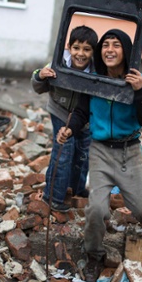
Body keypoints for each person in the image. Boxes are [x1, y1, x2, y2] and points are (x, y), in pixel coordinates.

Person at [57, 29, 142, 282]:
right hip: (101, 151)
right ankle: (94, 256)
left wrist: (139, 92)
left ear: (126, 51)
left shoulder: (139, 80)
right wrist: (69, 128)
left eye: (116, 45)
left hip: (130, 151)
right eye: (105, 45)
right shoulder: (93, 80)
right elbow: (82, 112)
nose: (110, 50)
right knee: (96, 209)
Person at [31, 25, 98, 212]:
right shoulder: (57, 62)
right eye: (76, 48)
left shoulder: (95, 70)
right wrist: (40, 76)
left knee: (83, 154)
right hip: (60, 110)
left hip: (84, 118)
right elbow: (37, 85)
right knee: (64, 151)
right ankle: (53, 197)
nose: (81, 54)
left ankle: (76, 190)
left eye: (87, 49)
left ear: (93, 51)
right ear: (69, 46)